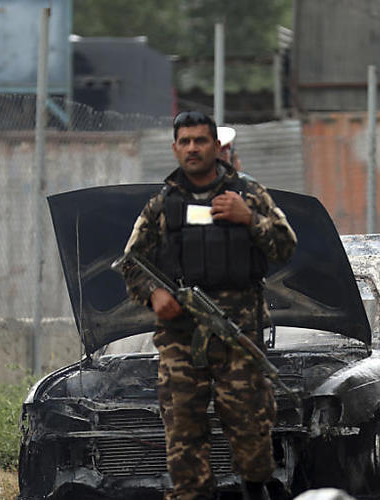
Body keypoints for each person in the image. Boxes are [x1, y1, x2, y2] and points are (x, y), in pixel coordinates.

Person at [120, 111, 298, 500]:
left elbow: (286, 245)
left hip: (238, 336)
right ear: (174, 148)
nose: (192, 149)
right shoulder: (162, 205)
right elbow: (131, 262)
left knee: (251, 433)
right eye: (184, 142)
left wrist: (250, 218)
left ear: (216, 147)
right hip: (181, 339)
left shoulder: (248, 194)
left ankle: (256, 488)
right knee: (184, 433)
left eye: (200, 141)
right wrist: (154, 294)